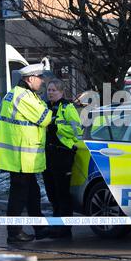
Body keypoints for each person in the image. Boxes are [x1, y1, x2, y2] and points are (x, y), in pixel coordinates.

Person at [0, 63, 53, 244]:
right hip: (20, 156)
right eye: (39, 78)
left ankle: (40, 228)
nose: (42, 81)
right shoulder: (24, 96)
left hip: (19, 155)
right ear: (30, 79)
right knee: (19, 195)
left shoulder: (16, 93)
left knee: (32, 192)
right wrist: (51, 111)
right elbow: (45, 118)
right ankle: (14, 232)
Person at [43, 79, 83, 239]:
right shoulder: (45, 107)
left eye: (53, 90)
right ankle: (56, 225)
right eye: (49, 90)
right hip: (47, 155)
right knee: (51, 193)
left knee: (62, 193)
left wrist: (57, 127)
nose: (50, 92)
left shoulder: (68, 107)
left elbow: (76, 130)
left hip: (63, 154)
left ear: (61, 92)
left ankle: (65, 229)